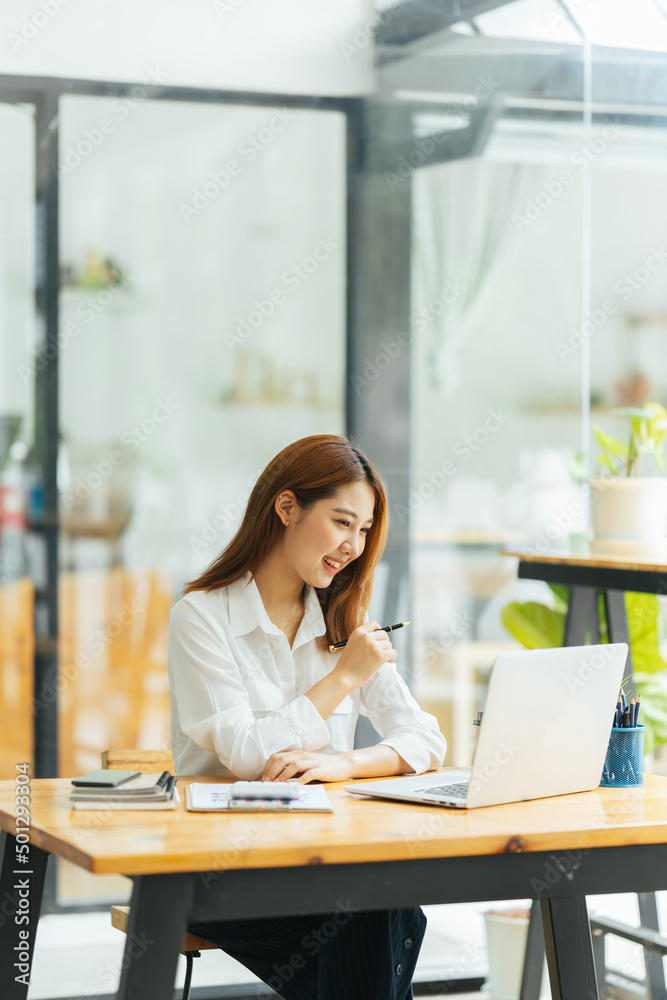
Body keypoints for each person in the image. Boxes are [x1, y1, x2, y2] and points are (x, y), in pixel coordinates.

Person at [168, 433, 447, 1000]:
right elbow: (250, 755)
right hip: (219, 866)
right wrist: (343, 677)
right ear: (287, 506)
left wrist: (343, 765)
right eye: (343, 522)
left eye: (365, 530)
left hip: (322, 857)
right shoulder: (200, 617)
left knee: (385, 912)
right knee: (381, 919)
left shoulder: (344, 615)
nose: (354, 544)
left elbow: (425, 739)